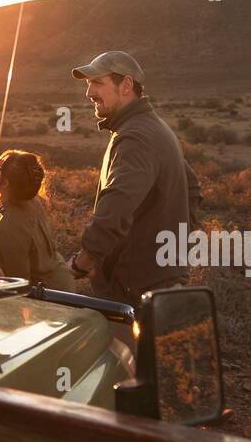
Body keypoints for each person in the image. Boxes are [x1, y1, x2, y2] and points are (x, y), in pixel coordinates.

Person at [65, 51, 201, 309]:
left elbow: (117, 206)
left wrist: (83, 262)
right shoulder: (154, 127)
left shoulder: (136, 136)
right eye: (87, 84)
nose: (89, 93)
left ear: (126, 85)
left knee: (125, 350)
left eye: (97, 83)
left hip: (135, 289)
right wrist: (174, 253)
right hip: (158, 282)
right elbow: (192, 189)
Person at [0, 150, 77, 290]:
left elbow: (20, 286)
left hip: (51, 297)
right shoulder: (34, 201)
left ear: (5, 183)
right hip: (63, 281)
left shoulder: (8, 228)